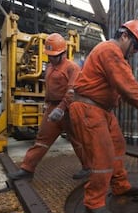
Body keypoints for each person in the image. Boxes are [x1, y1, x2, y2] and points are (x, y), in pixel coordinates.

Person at [68, 20, 138, 213]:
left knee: (118, 145)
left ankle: (120, 186)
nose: (135, 52)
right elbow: (128, 85)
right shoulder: (110, 50)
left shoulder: (112, 53)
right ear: (124, 36)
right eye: (136, 46)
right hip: (89, 109)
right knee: (103, 156)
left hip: (102, 110)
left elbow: (122, 90)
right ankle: (94, 202)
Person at [8, 33, 90, 181]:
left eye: (54, 55)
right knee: (41, 139)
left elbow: (72, 91)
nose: (51, 58)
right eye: (49, 55)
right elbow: (49, 88)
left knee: (77, 140)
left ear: (63, 53)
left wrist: (61, 108)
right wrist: (47, 105)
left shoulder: (72, 68)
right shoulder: (50, 68)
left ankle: (88, 167)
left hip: (69, 109)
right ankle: (27, 169)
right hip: (53, 107)